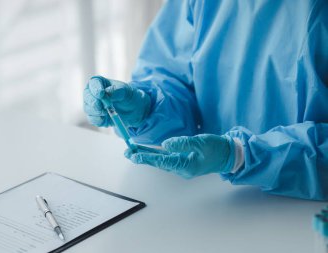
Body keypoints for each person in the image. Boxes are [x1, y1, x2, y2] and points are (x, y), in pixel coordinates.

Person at [83, 0, 328, 200]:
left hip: (304, 213)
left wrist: (242, 155)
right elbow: (172, 76)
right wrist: (145, 108)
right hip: (216, 199)